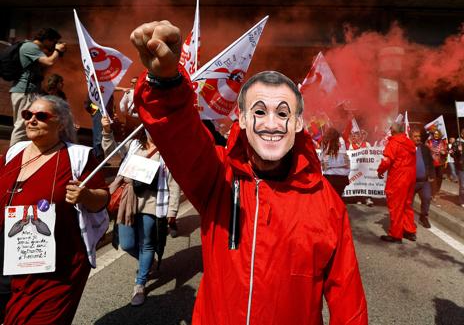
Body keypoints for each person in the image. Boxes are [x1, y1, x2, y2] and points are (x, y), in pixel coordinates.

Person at [130, 20, 367, 324]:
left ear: (297, 123)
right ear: (241, 119)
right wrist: (165, 82)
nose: (271, 124)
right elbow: (177, 131)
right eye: (259, 111)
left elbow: (348, 301)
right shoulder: (218, 178)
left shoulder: (327, 203)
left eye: (283, 113)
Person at [0, 95, 109, 324]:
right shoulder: (14, 153)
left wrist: (86, 195)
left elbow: (102, 198)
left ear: (60, 123)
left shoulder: (78, 156)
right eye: (27, 115)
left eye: (41, 116)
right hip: (6, 259)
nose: (31, 120)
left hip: (53, 267)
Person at [101, 115, 180, 306]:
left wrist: (172, 210)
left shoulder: (169, 151)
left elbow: (174, 182)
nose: (152, 130)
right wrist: (106, 131)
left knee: (147, 243)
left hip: (153, 201)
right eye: (149, 127)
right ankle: (148, 262)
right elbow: (112, 154)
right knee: (127, 244)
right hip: (129, 199)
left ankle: (140, 284)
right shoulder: (134, 144)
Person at [9, 28, 66, 146]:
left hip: (27, 91)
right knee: (22, 125)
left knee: (24, 125)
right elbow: (49, 62)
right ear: (46, 39)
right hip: (25, 91)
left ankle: (19, 156)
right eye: (53, 42)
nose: (53, 45)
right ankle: (12, 158)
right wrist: (57, 50)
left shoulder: (33, 48)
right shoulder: (30, 47)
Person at [377, 123, 416, 243]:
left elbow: (387, 161)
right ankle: (409, 231)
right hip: (410, 176)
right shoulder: (409, 142)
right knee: (407, 204)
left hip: (398, 177)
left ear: (393, 131)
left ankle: (395, 234)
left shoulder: (393, 142)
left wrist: (380, 171)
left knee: (396, 205)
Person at [411, 128, 435, 228]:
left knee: (426, 198)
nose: (418, 138)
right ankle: (409, 221)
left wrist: (432, 175)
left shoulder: (425, 148)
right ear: (410, 137)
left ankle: (423, 217)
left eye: (419, 136)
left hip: (424, 181)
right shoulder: (407, 148)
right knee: (408, 202)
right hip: (411, 181)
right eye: (415, 136)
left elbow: (430, 162)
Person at [319, 127, 350, 196]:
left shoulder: (325, 141)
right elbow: (345, 158)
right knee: (338, 197)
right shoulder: (341, 140)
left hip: (329, 176)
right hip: (342, 176)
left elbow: (322, 158)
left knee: (331, 198)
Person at [426, 129, 448, 200]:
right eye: (435, 134)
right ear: (433, 135)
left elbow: (446, 150)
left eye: (437, 134)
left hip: (440, 162)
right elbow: (425, 151)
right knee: (433, 178)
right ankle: (433, 193)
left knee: (440, 177)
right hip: (432, 163)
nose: (436, 135)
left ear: (439, 135)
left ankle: (437, 190)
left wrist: (444, 152)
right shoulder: (429, 142)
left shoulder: (443, 142)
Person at [452, 128, 464, 207]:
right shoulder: (457, 143)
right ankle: (461, 201)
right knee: (463, 185)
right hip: (462, 167)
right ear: (462, 134)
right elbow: (452, 154)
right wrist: (458, 151)